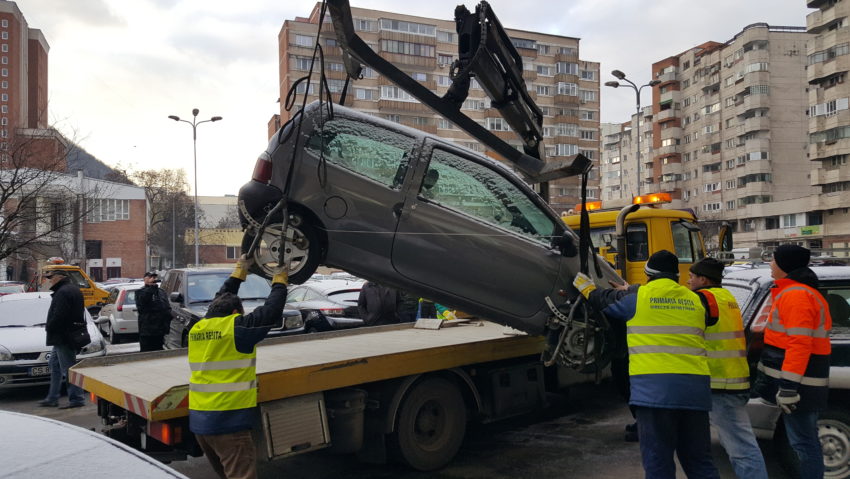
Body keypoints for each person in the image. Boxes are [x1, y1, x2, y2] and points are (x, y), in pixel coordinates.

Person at [574, 250, 719, 479]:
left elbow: (601, 299)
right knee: (700, 462)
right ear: (676, 275)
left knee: (658, 462)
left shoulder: (636, 299)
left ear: (647, 274)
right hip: (695, 392)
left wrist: (584, 285)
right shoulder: (696, 300)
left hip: (655, 394)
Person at [189, 255, 288, 479]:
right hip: (228, 424)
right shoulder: (236, 329)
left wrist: (239, 272)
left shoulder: (200, 326)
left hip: (201, 422)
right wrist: (280, 280)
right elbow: (270, 311)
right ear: (235, 314)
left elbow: (220, 298)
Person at [753, 245, 831, 479]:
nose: (770, 264)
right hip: (802, 382)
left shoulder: (797, 295)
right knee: (803, 441)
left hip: (801, 384)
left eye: (774, 260)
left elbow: (799, 344)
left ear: (784, 265)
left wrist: (788, 387)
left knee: (803, 443)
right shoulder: (796, 292)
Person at [687, 258, 768, 479]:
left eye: (691, 277)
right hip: (734, 379)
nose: (688, 281)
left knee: (741, 448)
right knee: (733, 442)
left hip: (721, 383)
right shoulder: (727, 297)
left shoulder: (704, 299)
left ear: (703, 279)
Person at [37, 269, 87, 409]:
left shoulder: (63, 292)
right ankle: (52, 398)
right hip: (66, 335)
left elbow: (60, 315)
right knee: (54, 365)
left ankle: (77, 398)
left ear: (59, 277)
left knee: (68, 368)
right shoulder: (72, 289)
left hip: (63, 336)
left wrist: (49, 327)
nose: (49, 280)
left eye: (51, 277)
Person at [134, 272, 173, 352]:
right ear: (144, 279)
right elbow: (143, 302)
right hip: (147, 331)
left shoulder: (161, 292)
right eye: (150, 277)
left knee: (159, 351)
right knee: (147, 353)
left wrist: (168, 318)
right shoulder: (140, 292)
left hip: (160, 330)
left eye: (154, 277)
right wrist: (151, 288)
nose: (153, 279)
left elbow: (166, 306)